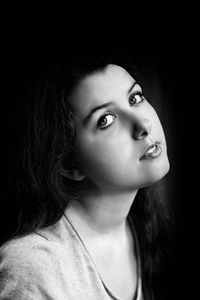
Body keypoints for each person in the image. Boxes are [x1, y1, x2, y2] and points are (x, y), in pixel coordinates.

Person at [0, 53, 171, 300]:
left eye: (135, 98)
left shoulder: (144, 226)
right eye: (106, 120)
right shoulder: (33, 269)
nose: (143, 125)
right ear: (70, 163)